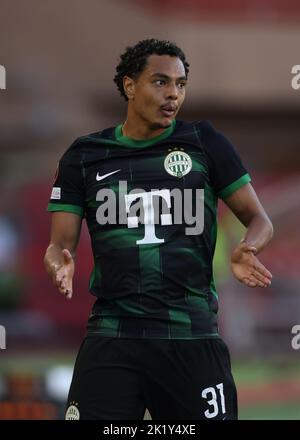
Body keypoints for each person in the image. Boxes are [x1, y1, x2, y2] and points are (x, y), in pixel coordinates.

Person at [44, 38, 273, 420]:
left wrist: (248, 246)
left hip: (190, 335)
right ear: (130, 86)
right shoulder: (84, 156)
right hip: (113, 335)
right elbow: (58, 245)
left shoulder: (204, 143)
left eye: (181, 85)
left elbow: (260, 219)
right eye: (160, 82)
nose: (173, 95)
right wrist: (58, 263)